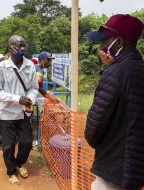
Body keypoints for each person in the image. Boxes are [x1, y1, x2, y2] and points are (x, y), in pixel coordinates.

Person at [84, 14, 144, 190]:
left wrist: (112, 69)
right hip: (135, 168)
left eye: (104, 40)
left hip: (112, 170)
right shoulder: (139, 69)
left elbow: (93, 130)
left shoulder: (115, 73)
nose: (101, 45)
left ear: (118, 42)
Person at [0, 35, 39, 184]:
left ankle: (19, 163)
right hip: (7, 113)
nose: (22, 49)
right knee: (8, 146)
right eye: (19, 46)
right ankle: (11, 171)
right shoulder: (2, 67)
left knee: (26, 142)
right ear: (11, 47)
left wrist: (30, 99)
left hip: (23, 112)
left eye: (23, 45)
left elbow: (33, 88)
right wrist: (16, 98)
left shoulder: (30, 65)